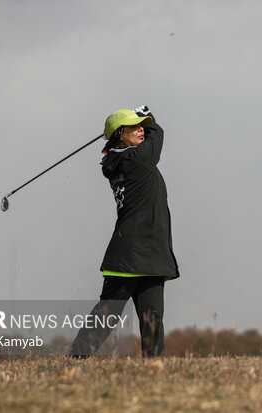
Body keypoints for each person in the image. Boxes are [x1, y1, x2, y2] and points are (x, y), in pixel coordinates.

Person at [70, 105, 179, 358]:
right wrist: (146, 112)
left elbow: (148, 133)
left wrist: (138, 116)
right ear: (119, 134)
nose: (141, 129)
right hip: (130, 251)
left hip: (152, 251)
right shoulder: (135, 159)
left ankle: (154, 366)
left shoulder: (121, 156)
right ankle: (76, 359)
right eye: (134, 126)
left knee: (152, 318)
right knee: (108, 312)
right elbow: (158, 133)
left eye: (142, 125)